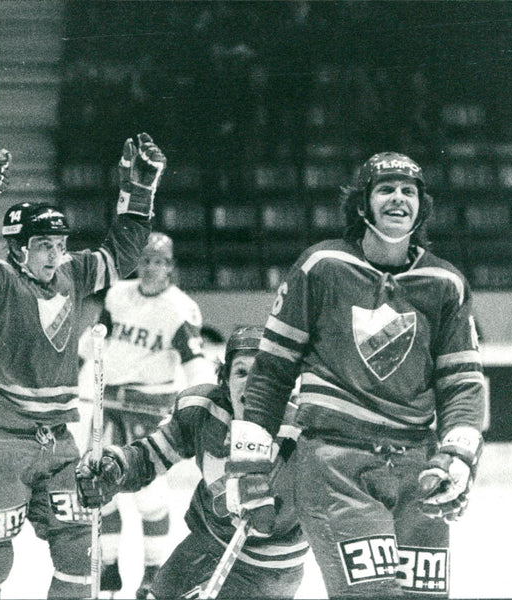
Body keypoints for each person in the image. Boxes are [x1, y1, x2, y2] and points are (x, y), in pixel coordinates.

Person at [225, 152, 486, 598]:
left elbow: (462, 384)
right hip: (336, 468)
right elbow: (271, 372)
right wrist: (247, 467)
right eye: (385, 189)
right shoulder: (321, 267)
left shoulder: (445, 282)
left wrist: (459, 455)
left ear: (422, 206)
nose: (399, 198)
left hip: (416, 471)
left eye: (409, 191)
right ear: (362, 205)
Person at [0, 132, 165, 599]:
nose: (56, 253)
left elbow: (121, 255)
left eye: (60, 243)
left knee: (79, 553)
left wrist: (140, 191)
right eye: (44, 244)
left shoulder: (71, 272)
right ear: (17, 248)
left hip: (58, 442)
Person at [76, 326, 307, 599]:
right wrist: (118, 468)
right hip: (204, 544)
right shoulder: (203, 410)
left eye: (262, 374)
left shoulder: (300, 434)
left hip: (269, 568)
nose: (250, 384)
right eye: (241, 372)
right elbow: (151, 456)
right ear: (226, 379)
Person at [77, 231, 217, 598]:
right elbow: (95, 343)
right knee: (101, 487)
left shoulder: (180, 308)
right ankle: (108, 569)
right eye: (146, 260)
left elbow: (195, 363)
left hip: (151, 410)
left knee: (149, 498)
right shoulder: (117, 295)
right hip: (107, 406)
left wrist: (203, 403)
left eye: (159, 261)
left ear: (170, 267)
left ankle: (153, 571)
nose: (151, 268)